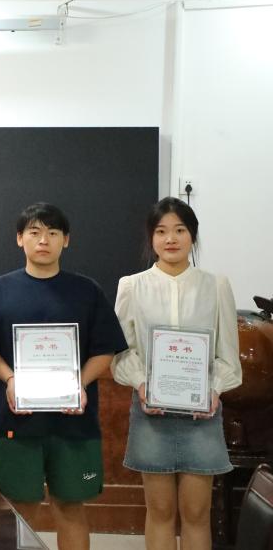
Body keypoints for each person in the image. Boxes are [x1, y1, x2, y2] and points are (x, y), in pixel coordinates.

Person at [0, 202, 127, 550]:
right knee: (18, 510)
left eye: (52, 233)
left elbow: (105, 350)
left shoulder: (87, 291)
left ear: (66, 240)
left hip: (74, 423)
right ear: (20, 238)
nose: (43, 240)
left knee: (71, 508)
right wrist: (10, 379)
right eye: (34, 232)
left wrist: (79, 383)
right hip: (18, 422)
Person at [111, 197, 241, 550]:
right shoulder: (132, 286)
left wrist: (214, 389)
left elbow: (228, 357)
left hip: (203, 415)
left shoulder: (216, 285)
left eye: (180, 230)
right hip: (151, 414)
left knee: (197, 513)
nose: (171, 239)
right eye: (161, 231)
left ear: (192, 236)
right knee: (160, 511)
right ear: (151, 238)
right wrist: (141, 384)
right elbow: (123, 352)